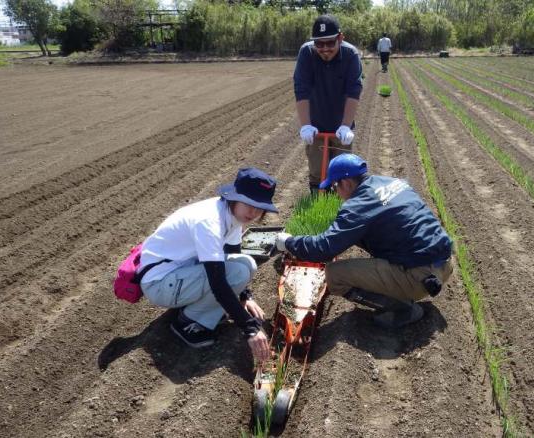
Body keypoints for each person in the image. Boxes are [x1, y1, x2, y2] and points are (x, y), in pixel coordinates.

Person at [274, 154, 454, 329]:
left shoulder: (358, 206)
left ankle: (402, 308)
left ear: (345, 183)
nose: (335, 192)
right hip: (445, 264)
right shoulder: (392, 182)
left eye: (335, 187)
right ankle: (403, 290)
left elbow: (323, 249)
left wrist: (289, 242)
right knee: (364, 235)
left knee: (334, 275)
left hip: (418, 278)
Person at [138, 168, 278, 362]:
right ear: (234, 198)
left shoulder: (232, 216)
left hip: (178, 274)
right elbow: (218, 281)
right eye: (248, 203)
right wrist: (250, 329)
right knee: (236, 272)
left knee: (246, 264)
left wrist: (245, 296)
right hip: (159, 284)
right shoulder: (209, 222)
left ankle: (199, 309)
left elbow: (232, 256)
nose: (253, 212)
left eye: (259, 207)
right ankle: (189, 324)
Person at [294, 14, 363, 194]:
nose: (324, 49)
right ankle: (317, 200)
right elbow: (301, 89)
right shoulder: (306, 53)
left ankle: (340, 207)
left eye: (330, 43)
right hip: (315, 127)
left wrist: (346, 126)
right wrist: (306, 125)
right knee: (317, 171)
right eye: (319, 44)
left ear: (340, 38)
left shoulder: (350, 55)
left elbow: (353, 91)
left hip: (341, 127)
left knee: (343, 172)